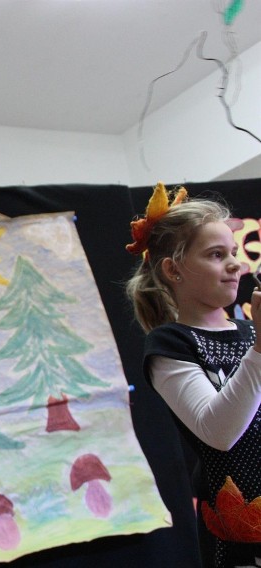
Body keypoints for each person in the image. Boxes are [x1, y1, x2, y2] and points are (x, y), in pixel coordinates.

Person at [125, 183, 261, 568]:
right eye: (217, 255)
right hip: (243, 533)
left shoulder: (251, 333)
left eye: (233, 252)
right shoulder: (170, 344)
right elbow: (219, 433)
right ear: (173, 269)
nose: (235, 263)